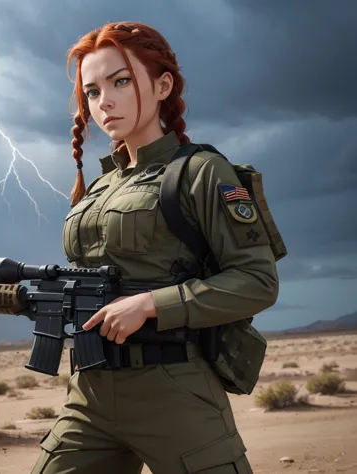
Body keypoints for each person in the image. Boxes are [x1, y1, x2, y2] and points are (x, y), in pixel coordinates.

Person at [30, 21, 279, 474]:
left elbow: (257, 282)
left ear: (162, 85)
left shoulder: (202, 172)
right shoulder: (100, 187)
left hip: (175, 393)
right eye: (91, 91)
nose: (104, 101)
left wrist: (151, 304)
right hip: (91, 395)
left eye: (120, 81)